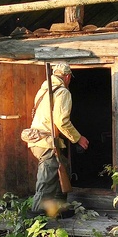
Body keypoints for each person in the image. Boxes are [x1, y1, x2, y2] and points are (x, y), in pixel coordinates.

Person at [26, 62, 90, 218]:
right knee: (47, 179)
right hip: (47, 142)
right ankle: (35, 216)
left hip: (38, 139)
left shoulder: (43, 91)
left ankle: (59, 209)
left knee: (63, 168)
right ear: (67, 77)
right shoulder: (62, 92)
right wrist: (78, 138)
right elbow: (61, 120)